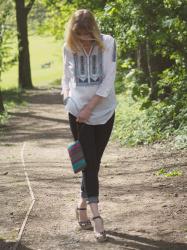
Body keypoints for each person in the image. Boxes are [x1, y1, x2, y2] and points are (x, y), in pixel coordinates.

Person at [61, 9, 117, 242]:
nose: (84, 39)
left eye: (87, 34)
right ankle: (96, 217)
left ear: (94, 30)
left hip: (103, 112)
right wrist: (68, 101)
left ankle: (82, 202)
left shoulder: (108, 43)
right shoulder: (68, 47)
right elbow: (66, 78)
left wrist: (89, 108)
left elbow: (108, 79)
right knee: (89, 164)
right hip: (78, 114)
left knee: (94, 163)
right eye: (80, 35)